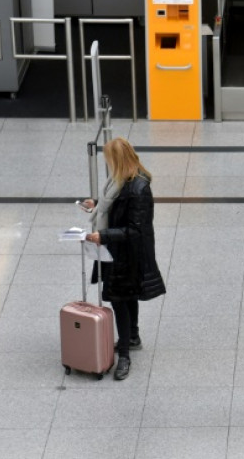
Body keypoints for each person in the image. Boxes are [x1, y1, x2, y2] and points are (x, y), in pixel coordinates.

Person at [81, 137, 165, 380]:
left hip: (128, 255)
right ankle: (133, 336)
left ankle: (125, 354)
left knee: (120, 299)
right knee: (127, 297)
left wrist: (103, 235)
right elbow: (115, 207)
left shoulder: (138, 189)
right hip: (118, 250)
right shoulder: (119, 182)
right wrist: (96, 205)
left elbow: (135, 229)